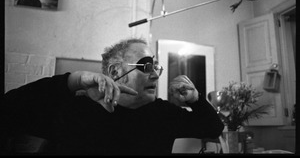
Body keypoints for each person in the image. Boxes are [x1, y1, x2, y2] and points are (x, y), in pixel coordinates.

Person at [1, 38, 224, 155]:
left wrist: (195, 99)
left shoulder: (164, 113)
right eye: (147, 65)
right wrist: (73, 81)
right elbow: (8, 110)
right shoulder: (75, 109)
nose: (156, 74)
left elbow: (212, 129)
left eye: (156, 66)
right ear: (116, 72)